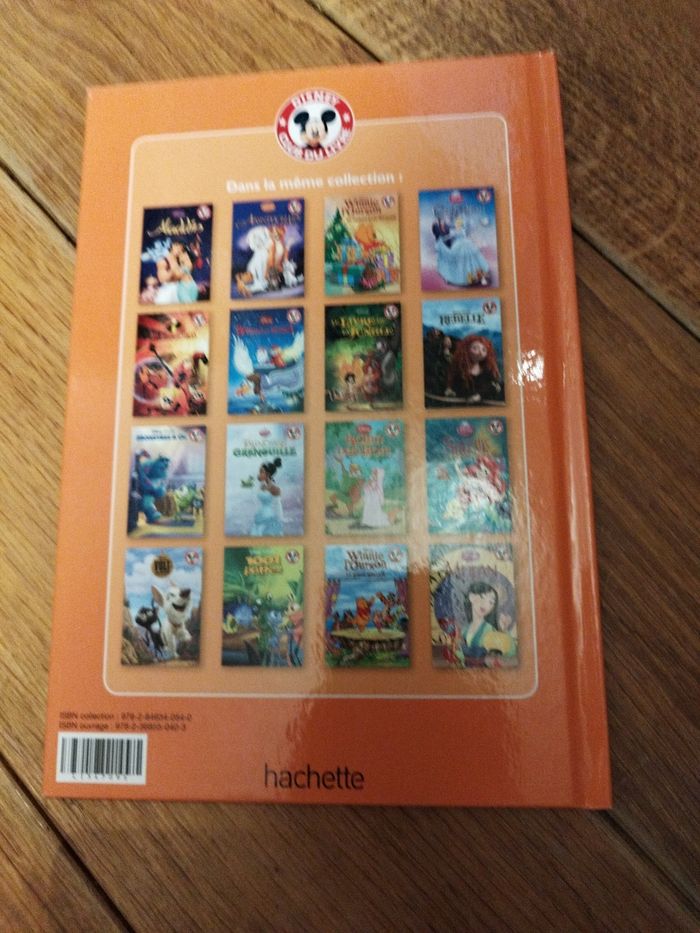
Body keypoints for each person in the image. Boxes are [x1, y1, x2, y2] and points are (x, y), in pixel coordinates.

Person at [460, 582, 515, 661]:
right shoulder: (464, 630)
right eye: (482, 597)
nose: (485, 604)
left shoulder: (491, 630)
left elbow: (509, 654)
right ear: (471, 597)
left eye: (491, 602)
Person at [155, 240, 198, 304]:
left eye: (182, 249)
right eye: (177, 247)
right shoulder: (163, 261)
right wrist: (172, 271)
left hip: (183, 290)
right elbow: (162, 279)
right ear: (172, 246)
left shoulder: (181, 260)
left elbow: (187, 271)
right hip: (168, 293)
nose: (179, 250)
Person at [250, 458, 284, 535]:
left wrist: (279, 520)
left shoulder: (274, 488)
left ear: (268, 474)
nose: (259, 474)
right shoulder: (262, 486)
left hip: (270, 517)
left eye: (261, 472)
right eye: (259, 471)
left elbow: (278, 506)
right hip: (261, 514)